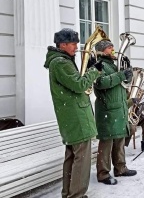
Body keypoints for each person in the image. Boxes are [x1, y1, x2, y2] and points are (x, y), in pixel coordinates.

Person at [44, 28, 102, 198]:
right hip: (76, 117)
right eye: (73, 43)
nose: (77, 46)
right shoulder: (61, 63)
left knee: (72, 157)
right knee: (81, 161)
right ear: (62, 45)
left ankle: (68, 193)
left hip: (72, 117)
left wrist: (88, 68)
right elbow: (79, 85)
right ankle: (76, 195)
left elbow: (76, 83)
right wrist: (94, 70)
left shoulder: (61, 61)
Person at [93, 40, 137, 186]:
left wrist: (127, 74)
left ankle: (120, 168)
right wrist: (120, 75)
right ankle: (103, 173)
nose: (113, 49)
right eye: (109, 47)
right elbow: (100, 83)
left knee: (119, 140)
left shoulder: (113, 64)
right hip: (107, 109)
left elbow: (121, 83)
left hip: (118, 107)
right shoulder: (99, 65)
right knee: (106, 142)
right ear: (102, 50)